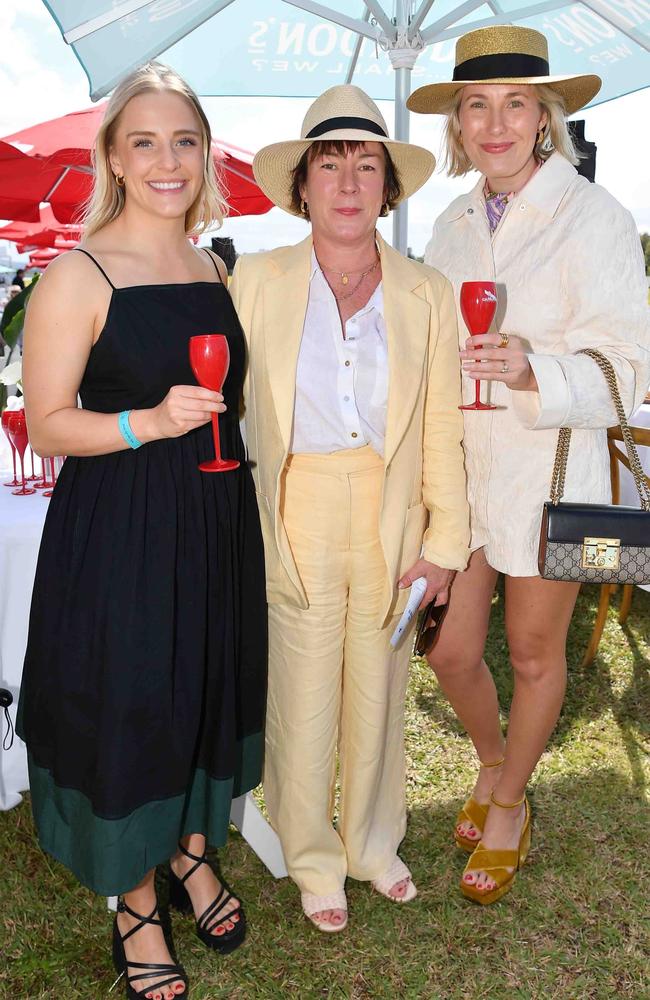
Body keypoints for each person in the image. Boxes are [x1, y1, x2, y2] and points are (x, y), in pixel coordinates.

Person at [18, 62, 267, 1000]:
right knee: (133, 699)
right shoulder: (76, 274)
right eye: (146, 143)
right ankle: (134, 896)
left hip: (211, 512)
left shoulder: (212, 266)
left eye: (185, 141)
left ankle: (192, 851)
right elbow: (45, 424)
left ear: (204, 154)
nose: (168, 161)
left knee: (203, 681)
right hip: (121, 523)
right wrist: (144, 423)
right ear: (115, 160)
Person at [407, 25, 650, 904]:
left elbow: (630, 367)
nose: (497, 123)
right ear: (459, 125)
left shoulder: (598, 217)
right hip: (467, 478)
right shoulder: (450, 221)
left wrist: (531, 369)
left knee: (535, 653)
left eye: (516, 104)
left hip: (562, 482)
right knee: (451, 651)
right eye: (478, 106)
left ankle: (509, 801)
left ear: (544, 117)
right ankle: (490, 757)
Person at [230, 85, 470, 932]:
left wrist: (444, 543)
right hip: (295, 502)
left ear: (387, 186)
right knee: (301, 690)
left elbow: (442, 423)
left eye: (366, 163)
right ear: (302, 185)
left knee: (380, 683)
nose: (347, 180)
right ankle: (311, 856)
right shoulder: (253, 281)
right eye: (329, 163)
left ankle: (371, 842)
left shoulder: (427, 291)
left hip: (390, 505)